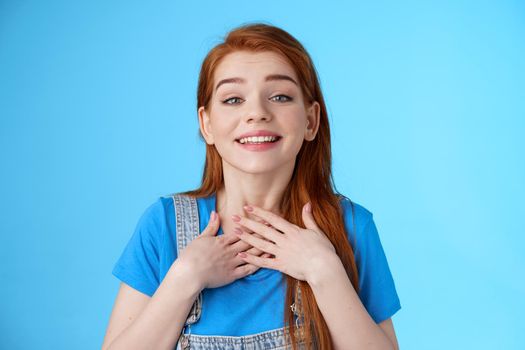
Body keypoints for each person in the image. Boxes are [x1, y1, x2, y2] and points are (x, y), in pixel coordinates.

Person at [102, 22, 401, 350]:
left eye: (280, 96)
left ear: (311, 121)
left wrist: (324, 271)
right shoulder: (163, 226)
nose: (257, 113)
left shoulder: (351, 227)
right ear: (207, 124)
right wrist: (184, 277)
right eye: (233, 99)